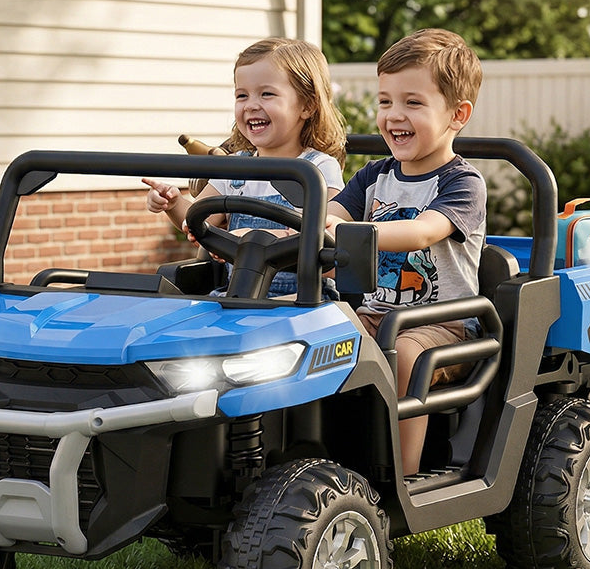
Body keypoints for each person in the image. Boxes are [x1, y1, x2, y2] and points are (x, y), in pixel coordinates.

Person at [326, 28, 485, 476]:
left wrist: (342, 230)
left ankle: (401, 476)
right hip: (378, 312)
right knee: (313, 333)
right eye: (385, 102)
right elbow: (329, 215)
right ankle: (324, 454)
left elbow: (420, 233)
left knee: (406, 354)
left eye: (413, 103)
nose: (394, 115)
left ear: (457, 114)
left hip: (445, 326)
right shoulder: (374, 174)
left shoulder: (462, 183)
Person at [144, 37, 345, 297]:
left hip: (302, 298)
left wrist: (253, 236)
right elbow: (196, 219)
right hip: (237, 294)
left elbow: (329, 234)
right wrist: (172, 203)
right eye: (242, 95)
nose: (251, 105)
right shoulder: (235, 167)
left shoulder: (317, 169)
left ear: (307, 105)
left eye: (267, 94)